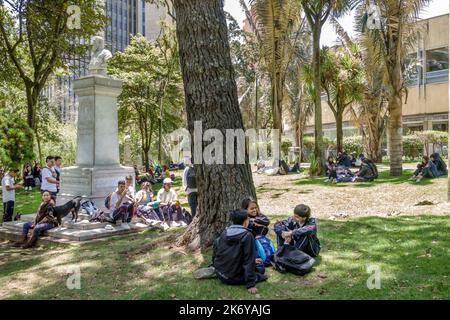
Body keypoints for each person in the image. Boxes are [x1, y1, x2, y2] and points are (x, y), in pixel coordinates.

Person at [210, 209, 267, 294]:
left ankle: (214, 271)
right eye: (248, 219)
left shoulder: (225, 232)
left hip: (220, 273)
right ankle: (254, 277)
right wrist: (250, 284)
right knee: (260, 269)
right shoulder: (247, 235)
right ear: (245, 221)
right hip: (233, 277)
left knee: (255, 264)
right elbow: (248, 259)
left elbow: (225, 253)